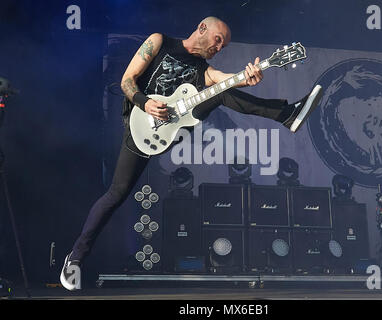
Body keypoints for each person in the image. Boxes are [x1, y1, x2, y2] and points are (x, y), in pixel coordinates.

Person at [60, 16, 323, 290]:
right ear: (202, 29)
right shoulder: (160, 42)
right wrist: (145, 102)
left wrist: (250, 76)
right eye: (218, 40)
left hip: (173, 131)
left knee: (219, 92)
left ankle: (287, 115)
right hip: (140, 128)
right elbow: (128, 81)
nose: (219, 47)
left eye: (224, 45)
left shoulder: (204, 71)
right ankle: (75, 258)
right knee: (116, 194)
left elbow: (228, 82)